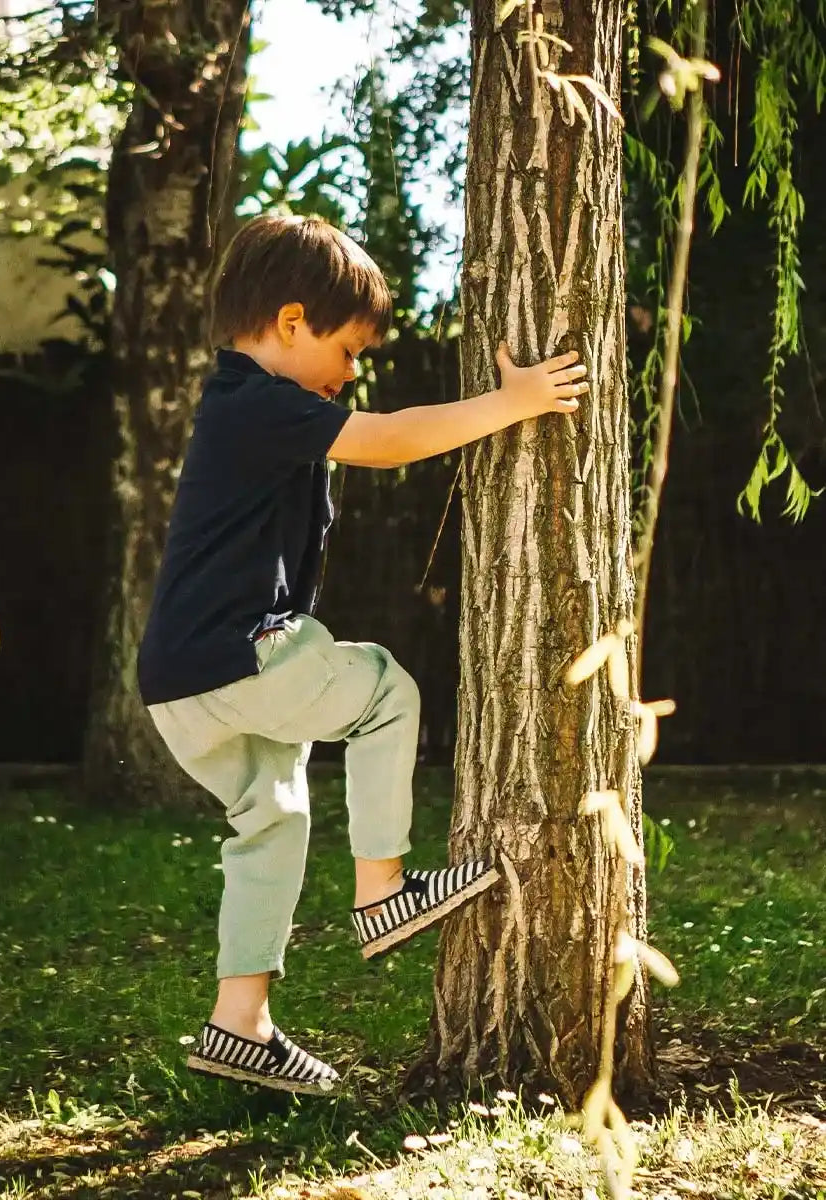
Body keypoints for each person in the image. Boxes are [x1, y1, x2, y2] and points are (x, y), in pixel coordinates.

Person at [137, 215, 589, 1095]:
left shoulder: (243, 409)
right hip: (233, 654)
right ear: (293, 321)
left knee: (274, 821)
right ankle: (383, 889)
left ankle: (240, 1022)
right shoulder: (257, 403)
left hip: (179, 680)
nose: (352, 373)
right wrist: (515, 403)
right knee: (383, 687)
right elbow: (385, 440)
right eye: (348, 351)